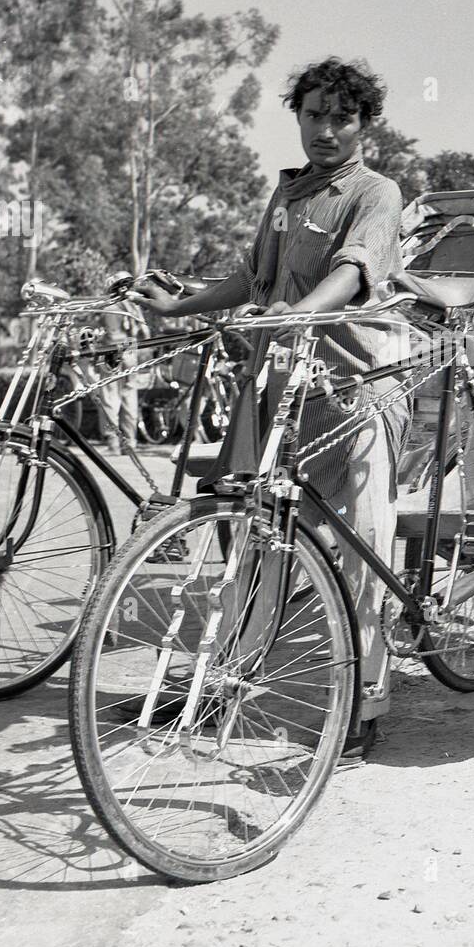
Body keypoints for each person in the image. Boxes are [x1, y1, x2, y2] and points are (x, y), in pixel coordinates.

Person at [131, 56, 407, 764]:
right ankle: (224, 680)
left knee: (362, 549)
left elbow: (351, 273)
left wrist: (299, 314)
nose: (326, 129)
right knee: (256, 542)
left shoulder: (377, 194)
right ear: (298, 117)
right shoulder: (285, 197)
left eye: (342, 117)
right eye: (314, 114)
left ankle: (363, 703)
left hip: (357, 390)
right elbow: (250, 280)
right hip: (283, 389)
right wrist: (179, 305)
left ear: (364, 123)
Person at [96, 295, 148, 455]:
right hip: (130, 351)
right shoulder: (133, 306)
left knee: (110, 399)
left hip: (111, 352)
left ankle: (113, 443)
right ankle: (130, 442)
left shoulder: (110, 308)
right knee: (129, 397)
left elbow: (109, 333)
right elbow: (145, 334)